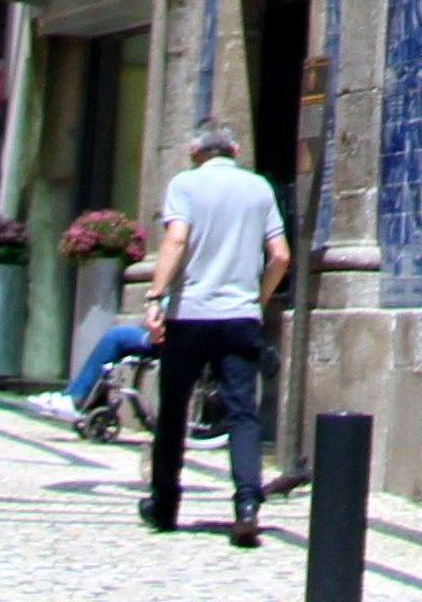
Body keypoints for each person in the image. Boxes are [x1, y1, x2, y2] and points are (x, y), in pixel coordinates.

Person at [139, 125, 290, 547]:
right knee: (242, 412)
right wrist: (257, 300)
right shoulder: (259, 188)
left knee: (172, 412)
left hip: (190, 316)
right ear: (236, 149)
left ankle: (164, 504)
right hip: (239, 317)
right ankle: (246, 504)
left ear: (193, 151)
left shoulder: (185, 184)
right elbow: (280, 255)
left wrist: (155, 296)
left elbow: (175, 239)